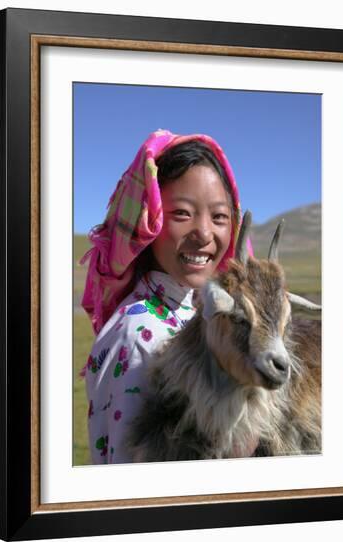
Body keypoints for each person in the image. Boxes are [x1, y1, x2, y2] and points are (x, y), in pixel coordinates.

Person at [80, 129, 249, 464]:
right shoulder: (141, 336)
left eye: (219, 217)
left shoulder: (197, 315)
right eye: (182, 214)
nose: (204, 233)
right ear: (148, 220)